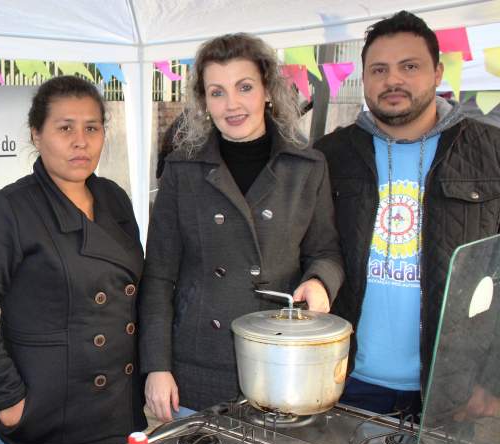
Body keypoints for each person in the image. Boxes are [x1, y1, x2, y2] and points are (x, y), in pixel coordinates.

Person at [0, 75, 146, 444]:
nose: (81, 142)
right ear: (37, 134)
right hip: (45, 410)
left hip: (111, 408)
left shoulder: (113, 198)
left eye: (92, 128)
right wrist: (8, 395)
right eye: (65, 127)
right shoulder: (10, 209)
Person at [139, 33, 344, 421]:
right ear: (204, 101)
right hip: (197, 369)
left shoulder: (307, 166)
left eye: (244, 87)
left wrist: (319, 281)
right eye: (217, 92)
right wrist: (156, 367)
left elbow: (326, 251)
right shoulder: (182, 170)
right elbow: (159, 276)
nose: (232, 104)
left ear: (267, 90)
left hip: (281, 362)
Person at [313, 11, 500, 418]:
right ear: (363, 79)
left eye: (409, 66)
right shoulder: (329, 156)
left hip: (454, 390)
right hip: (344, 382)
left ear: (437, 72)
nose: (392, 80)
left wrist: (492, 382)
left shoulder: (490, 152)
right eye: (379, 69)